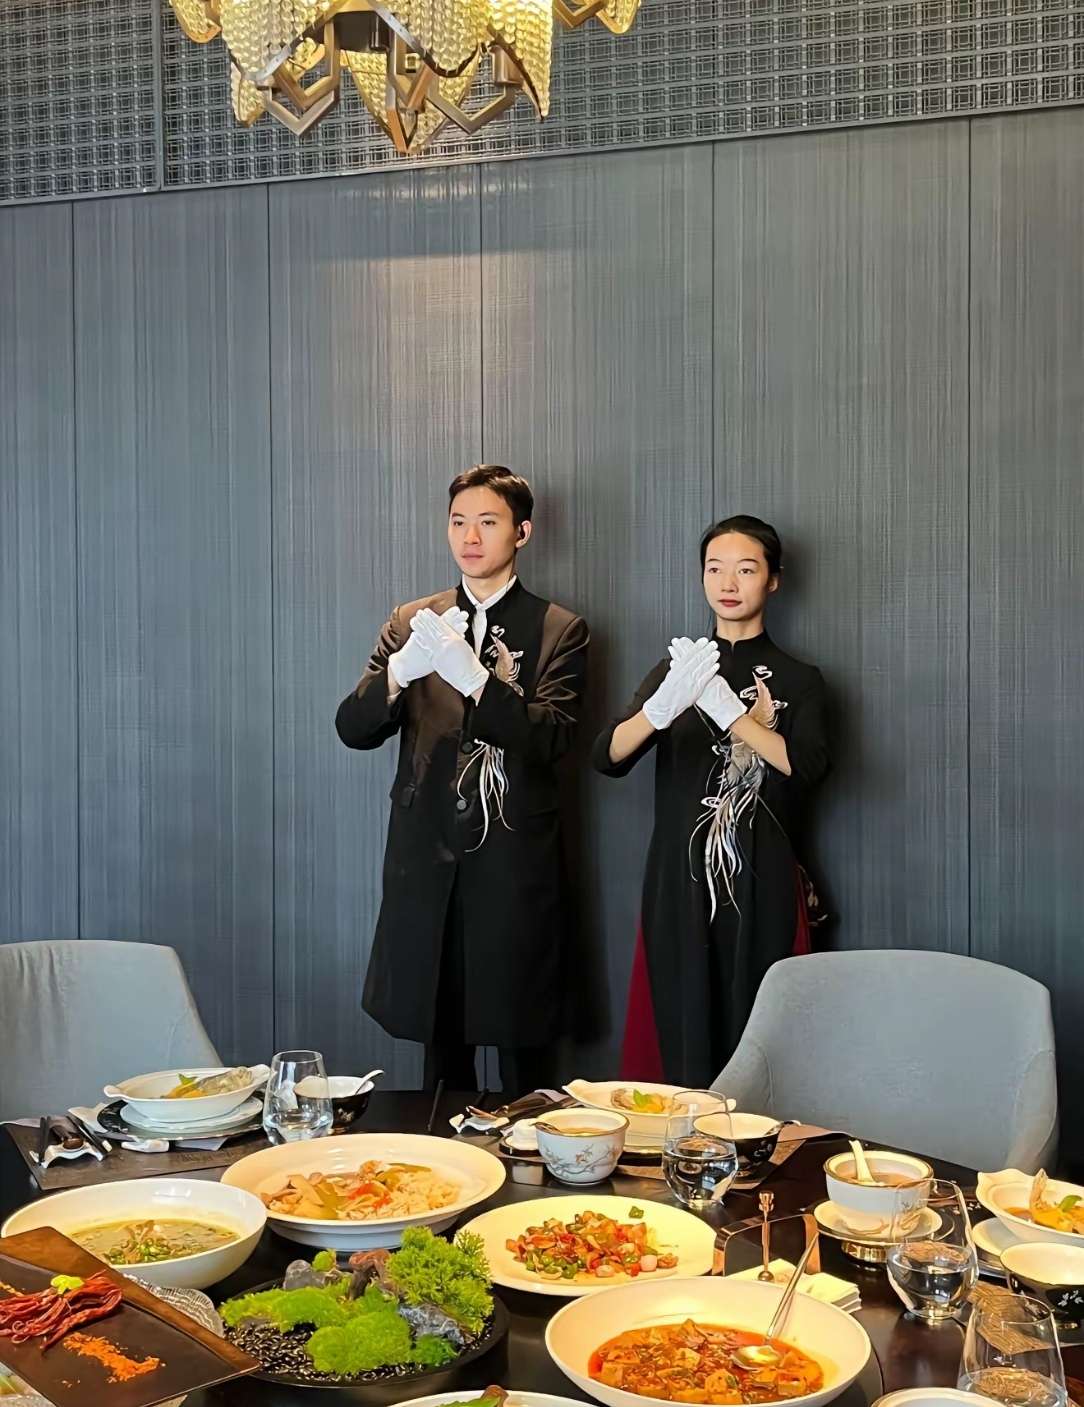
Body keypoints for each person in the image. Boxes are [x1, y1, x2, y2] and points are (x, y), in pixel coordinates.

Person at [336, 465, 589, 1095]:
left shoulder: (558, 627)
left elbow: (552, 739)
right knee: (439, 1047)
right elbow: (352, 728)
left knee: (522, 1049)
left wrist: (476, 680)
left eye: (488, 522)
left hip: (514, 860)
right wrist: (400, 671)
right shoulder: (412, 620)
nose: (469, 537)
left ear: (522, 532)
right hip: (426, 857)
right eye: (458, 522)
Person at [592, 515, 829, 1088]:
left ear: (773, 579)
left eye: (746, 569)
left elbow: (806, 769)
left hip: (762, 877)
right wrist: (660, 708)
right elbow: (607, 756)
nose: (728, 582)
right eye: (715, 568)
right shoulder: (678, 669)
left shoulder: (800, 678)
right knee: (681, 1027)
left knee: (761, 1029)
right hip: (679, 877)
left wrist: (732, 714)